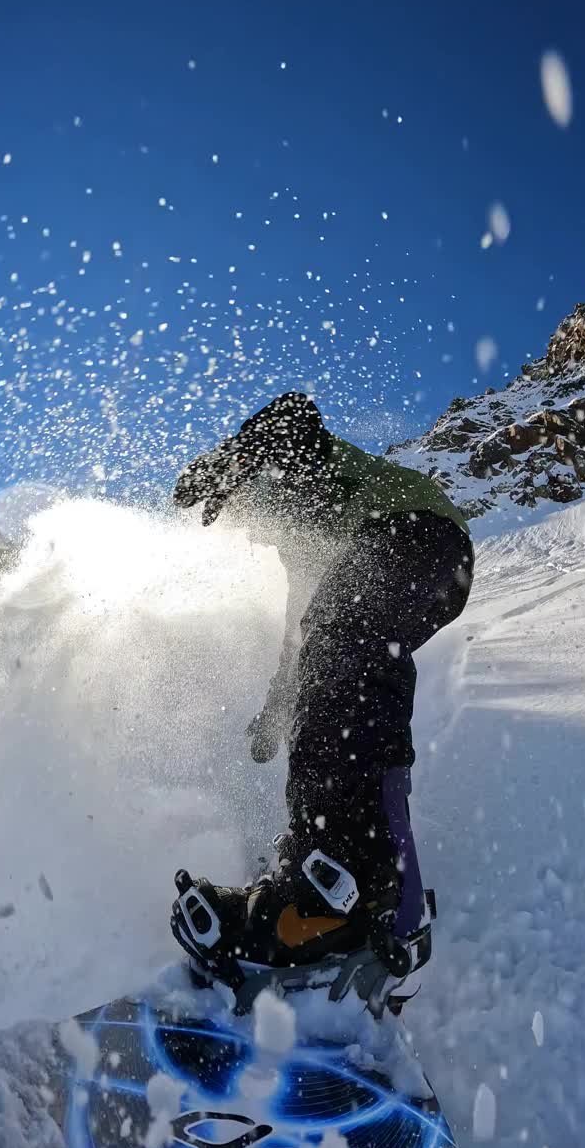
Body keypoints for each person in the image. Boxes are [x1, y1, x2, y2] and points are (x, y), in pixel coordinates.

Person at [170, 393, 473, 992]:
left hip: (415, 533)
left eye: (245, 511)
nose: (251, 531)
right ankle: (375, 890)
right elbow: (298, 639)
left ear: (260, 477)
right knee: (330, 654)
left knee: (341, 638)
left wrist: (231, 459)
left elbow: (293, 415)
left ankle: (332, 887)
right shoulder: (308, 547)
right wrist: (275, 712)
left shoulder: (310, 468)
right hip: (421, 555)